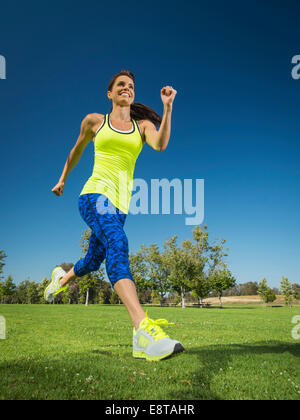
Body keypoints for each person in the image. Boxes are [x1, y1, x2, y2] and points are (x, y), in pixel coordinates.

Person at [44, 69, 184, 361]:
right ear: (110, 93)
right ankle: (142, 329)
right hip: (94, 196)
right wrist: (62, 179)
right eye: (121, 85)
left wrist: (167, 108)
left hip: (120, 207)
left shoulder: (142, 126)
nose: (126, 88)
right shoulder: (96, 121)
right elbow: (76, 151)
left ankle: (61, 279)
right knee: (118, 244)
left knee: (95, 259)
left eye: (130, 86)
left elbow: (160, 144)